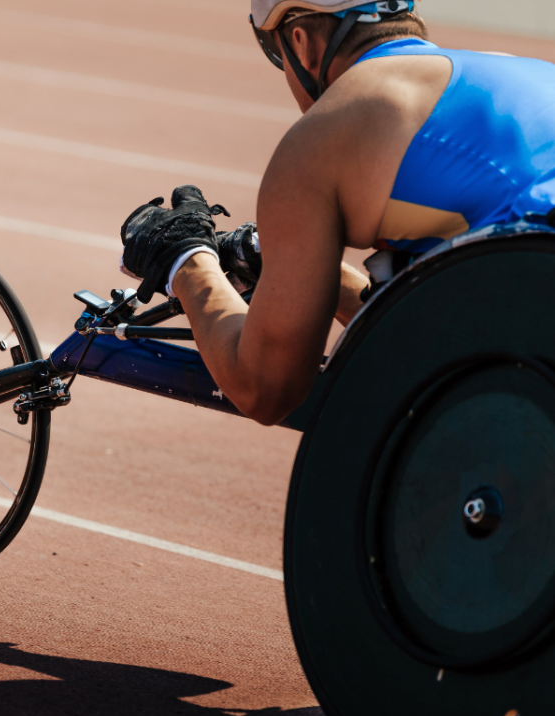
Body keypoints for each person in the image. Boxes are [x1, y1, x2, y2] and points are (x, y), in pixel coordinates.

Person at [119, 0, 555, 426]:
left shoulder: (327, 133)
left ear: (300, 42)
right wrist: (322, 277)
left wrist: (186, 261)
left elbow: (266, 388)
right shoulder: (527, 70)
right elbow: (448, 305)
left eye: (276, 54)